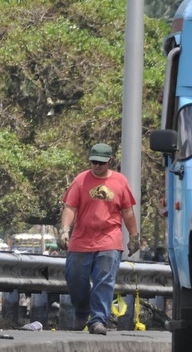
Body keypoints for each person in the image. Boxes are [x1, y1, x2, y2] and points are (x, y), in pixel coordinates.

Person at [57, 143, 140, 335]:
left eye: (101, 163)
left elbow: (128, 212)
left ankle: (97, 320)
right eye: (93, 162)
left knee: (104, 280)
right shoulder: (81, 180)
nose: (97, 166)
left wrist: (134, 237)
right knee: (75, 278)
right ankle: (82, 311)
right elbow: (70, 208)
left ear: (110, 161)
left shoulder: (120, 182)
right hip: (81, 239)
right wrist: (64, 230)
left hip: (109, 239)